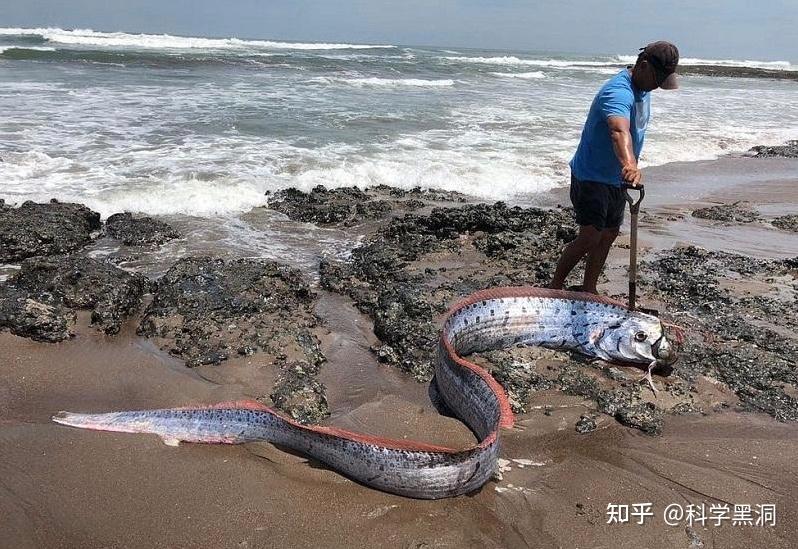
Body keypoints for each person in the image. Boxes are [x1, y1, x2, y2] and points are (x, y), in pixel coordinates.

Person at [550, 41, 679, 294]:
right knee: (590, 236)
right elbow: (618, 131)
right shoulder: (618, 92)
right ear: (642, 66)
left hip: (615, 178)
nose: (658, 86)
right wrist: (630, 164)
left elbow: (634, 131)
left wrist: (628, 168)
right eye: (657, 79)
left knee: (608, 234)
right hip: (591, 176)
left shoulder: (644, 88)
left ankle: (589, 288)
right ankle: (555, 286)